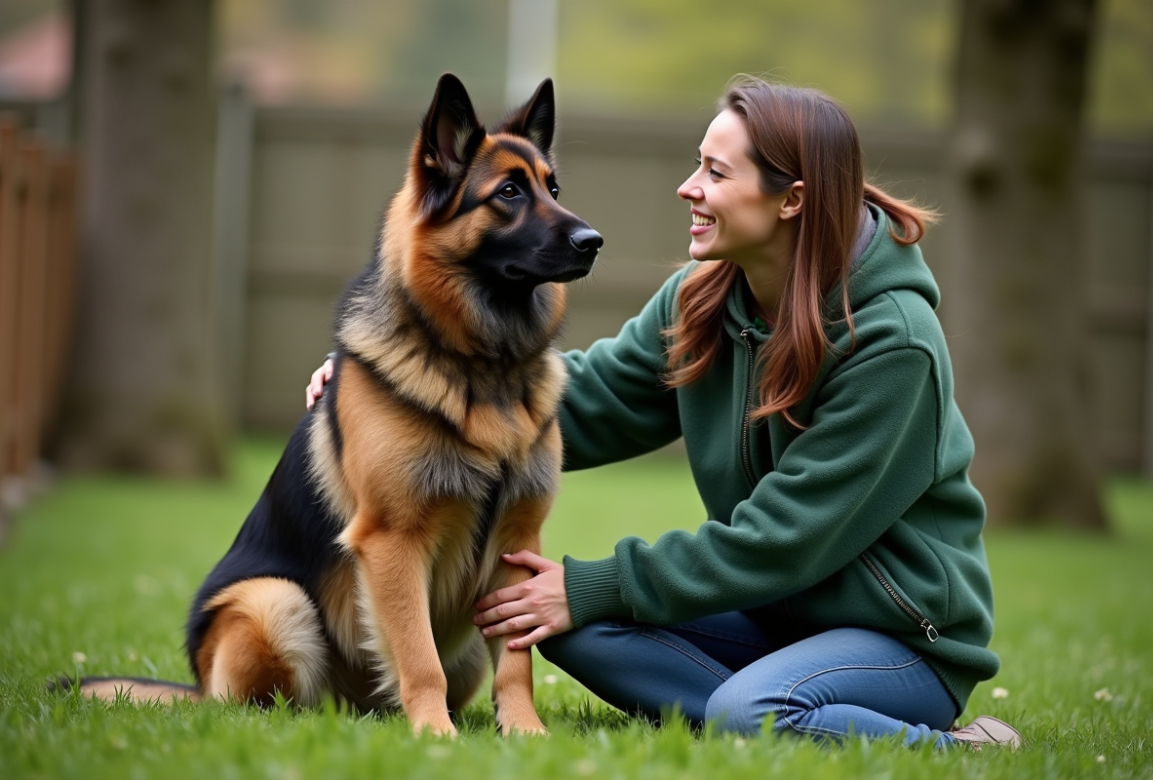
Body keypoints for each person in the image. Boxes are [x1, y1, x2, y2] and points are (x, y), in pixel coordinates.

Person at [307, 77, 1020, 749]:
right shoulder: (704, 297)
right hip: (776, 616)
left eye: (715, 172)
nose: (689, 187)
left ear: (791, 200)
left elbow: (786, 540)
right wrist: (391, 392)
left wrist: (600, 585)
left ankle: (953, 746)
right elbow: (583, 400)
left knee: (747, 707)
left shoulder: (894, 344)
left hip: (900, 639)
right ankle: (767, 703)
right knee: (547, 616)